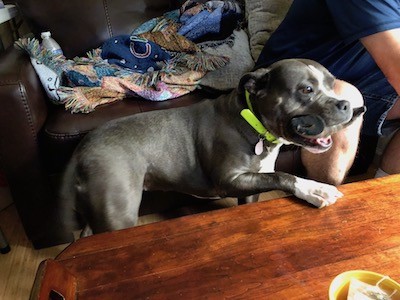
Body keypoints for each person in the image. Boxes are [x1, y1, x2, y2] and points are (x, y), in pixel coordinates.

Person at [255, 0, 400, 185]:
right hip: (293, 89)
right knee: (344, 96)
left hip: (362, 77)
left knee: (345, 96)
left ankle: (382, 199)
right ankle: (321, 203)